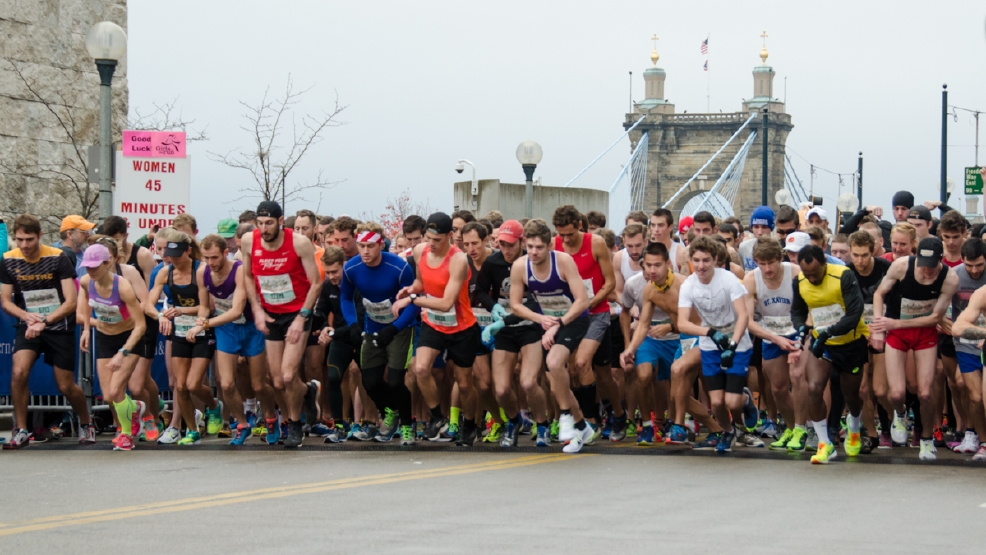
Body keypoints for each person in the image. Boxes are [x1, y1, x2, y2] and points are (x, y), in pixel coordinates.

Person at [1, 214, 95, 449]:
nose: (25, 245)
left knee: (65, 385)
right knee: (18, 372)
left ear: (40, 236)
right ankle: (21, 430)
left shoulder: (58, 258)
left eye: (30, 239)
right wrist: (26, 316)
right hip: (29, 324)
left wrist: (46, 320)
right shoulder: (8, 259)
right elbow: (5, 301)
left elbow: (71, 301)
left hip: (58, 325)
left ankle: (86, 422)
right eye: (20, 239)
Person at [241, 201, 323, 448]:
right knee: (276, 380)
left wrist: (302, 317)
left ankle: (296, 426)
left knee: (288, 375)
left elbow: (316, 282)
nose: (264, 229)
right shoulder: (248, 241)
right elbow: (247, 275)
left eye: (269, 223)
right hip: (271, 313)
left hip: (298, 312)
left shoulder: (299, 242)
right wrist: (256, 309)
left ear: (280, 220)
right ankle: (308, 391)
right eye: (260, 223)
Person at [508, 219, 594, 453]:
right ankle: (581, 426)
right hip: (546, 322)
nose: (534, 252)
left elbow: (582, 300)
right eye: (531, 247)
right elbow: (515, 305)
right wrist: (542, 320)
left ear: (550, 247)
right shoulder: (520, 266)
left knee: (554, 362)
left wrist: (558, 323)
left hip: (573, 319)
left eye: (540, 247)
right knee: (556, 382)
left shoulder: (563, 262)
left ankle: (565, 415)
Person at [393, 213, 479, 443]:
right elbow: (422, 283)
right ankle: (437, 416)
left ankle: (470, 424)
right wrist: (410, 289)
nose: (431, 244)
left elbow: (446, 302)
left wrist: (412, 300)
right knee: (420, 368)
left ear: (450, 236)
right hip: (434, 323)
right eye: (428, 238)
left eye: (437, 240)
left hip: (461, 327)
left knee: (463, 383)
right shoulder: (420, 251)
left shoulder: (458, 260)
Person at [186, 234, 279, 445]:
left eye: (215, 257)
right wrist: (200, 321)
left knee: (258, 384)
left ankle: (271, 417)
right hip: (225, 328)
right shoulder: (203, 273)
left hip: (250, 327)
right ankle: (242, 424)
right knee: (226, 383)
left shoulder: (238, 271)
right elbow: (204, 306)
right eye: (207, 257)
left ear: (225, 253)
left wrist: (206, 324)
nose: (211, 262)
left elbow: (237, 311)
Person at [872, 237, 958, 461]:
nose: (926, 271)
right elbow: (879, 294)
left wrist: (896, 324)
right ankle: (900, 414)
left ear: (940, 260)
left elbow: (934, 318)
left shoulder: (949, 278)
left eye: (931, 267)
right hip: (896, 333)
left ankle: (927, 439)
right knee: (897, 392)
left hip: (923, 334)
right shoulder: (902, 266)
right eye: (923, 265)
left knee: (925, 392)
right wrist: (879, 328)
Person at [789, 242, 869, 464]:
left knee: (851, 394)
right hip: (822, 343)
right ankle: (825, 444)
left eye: (815, 273)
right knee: (813, 388)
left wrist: (830, 332)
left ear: (825, 263)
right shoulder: (800, 281)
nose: (812, 279)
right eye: (807, 274)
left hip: (850, 341)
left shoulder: (843, 275)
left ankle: (854, 426)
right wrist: (801, 327)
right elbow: (797, 311)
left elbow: (855, 312)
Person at [341, 221, 418, 444]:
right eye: (361, 245)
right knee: (370, 381)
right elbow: (346, 298)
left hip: (399, 328)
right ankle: (391, 411)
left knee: (395, 381)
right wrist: (353, 324)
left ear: (381, 245)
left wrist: (396, 327)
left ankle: (407, 427)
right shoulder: (351, 268)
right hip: (372, 327)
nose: (365, 251)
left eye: (370, 246)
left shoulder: (399, 267)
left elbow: (414, 303)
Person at [676, 236, 754, 452]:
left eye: (706, 260)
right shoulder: (688, 285)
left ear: (715, 260)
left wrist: (733, 344)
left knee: (733, 401)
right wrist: (709, 332)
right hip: (711, 344)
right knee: (717, 402)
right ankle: (728, 432)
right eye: (697, 260)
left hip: (737, 341)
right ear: (691, 260)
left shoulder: (727, 279)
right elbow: (682, 323)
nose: (701, 266)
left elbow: (743, 315)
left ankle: (746, 400)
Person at [552, 205, 625, 438]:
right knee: (574, 369)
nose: (565, 239)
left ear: (580, 226)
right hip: (572, 315)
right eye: (561, 234)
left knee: (595, 369)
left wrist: (591, 302)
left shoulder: (595, 243)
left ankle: (617, 415)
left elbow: (610, 282)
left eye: (570, 234)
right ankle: (587, 419)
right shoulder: (554, 245)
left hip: (596, 312)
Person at [475, 220, 549, 446]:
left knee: (528, 383)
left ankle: (542, 423)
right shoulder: (492, 262)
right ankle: (513, 420)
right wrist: (493, 306)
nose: (506, 250)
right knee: (501, 388)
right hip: (505, 330)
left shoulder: (532, 261)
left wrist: (506, 318)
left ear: (522, 242)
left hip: (529, 328)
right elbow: (479, 290)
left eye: (511, 245)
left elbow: (535, 304)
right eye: (502, 245)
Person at [145, 229, 222, 446]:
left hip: (200, 329)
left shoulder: (200, 270)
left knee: (193, 384)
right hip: (179, 331)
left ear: (188, 251)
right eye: (171, 256)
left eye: (178, 256)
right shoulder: (164, 272)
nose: (174, 261)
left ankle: (215, 406)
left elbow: (207, 307)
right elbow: (148, 304)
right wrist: (161, 316)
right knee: (180, 386)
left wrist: (181, 312)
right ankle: (192, 430)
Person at [76, 243, 147, 451]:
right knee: (108, 396)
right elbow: (85, 309)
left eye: (95, 266)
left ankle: (125, 435)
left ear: (108, 263)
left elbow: (141, 325)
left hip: (129, 338)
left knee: (117, 391)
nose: (91, 271)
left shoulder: (123, 287)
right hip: (105, 338)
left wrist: (123, 352)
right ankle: (136, 407)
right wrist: (87, 330)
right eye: (87, 267)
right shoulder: (86, 282)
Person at [743, 237, 809, 451]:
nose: (767, 268)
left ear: (780, 258)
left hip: (797, 330)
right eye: (762, 263)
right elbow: (748, 321)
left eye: (771, 262)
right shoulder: (751, 279)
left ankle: (802, 428)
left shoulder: (796, 272)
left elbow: (811, 307)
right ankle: (791, 428)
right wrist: (775, 338)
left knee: (798, 377)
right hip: (771, 333)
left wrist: (800, 337)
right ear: (755, 261)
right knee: (778, 388)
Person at [618, 241, 682, 445]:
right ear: (642, 265)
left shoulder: (684, 284)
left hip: (677, 336)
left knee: (676, 386)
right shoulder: (638, 286)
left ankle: (673, 423)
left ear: (668, 264)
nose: (652, 270)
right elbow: (640, 321)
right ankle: (647, 425)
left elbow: (693, 321)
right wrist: (629, 347)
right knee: (643, 375)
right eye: (648, 265)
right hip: (649, 337)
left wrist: (670, 327)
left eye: (658, 265)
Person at [846, 230, 894, 451]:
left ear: (873, 251)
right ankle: (871, 434)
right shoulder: (846, 272)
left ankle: (894, 423)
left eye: (864, 255)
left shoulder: (886, 269)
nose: (860, 260)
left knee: (882, 390)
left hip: (884, 331)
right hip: (857, 334)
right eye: (855, 255)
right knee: (862, 389)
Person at [316, 246, 367, 442]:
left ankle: (368, 422)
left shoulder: (358, 284)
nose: (331, 276)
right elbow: (321, 311)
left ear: (344, 266)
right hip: (339, 339)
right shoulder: (327, 285)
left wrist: (333, 332)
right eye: (327, 272)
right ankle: (339, 425)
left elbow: (361, 320)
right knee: (333, 377)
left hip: (360, 337)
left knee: (369, 380)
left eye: (334, 272)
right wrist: (323, 328)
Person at [461, 221, 505, 443]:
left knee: (501, 382)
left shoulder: (498, 261)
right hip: (474, 329)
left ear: (486, 240)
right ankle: (498, 421)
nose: (471, 249)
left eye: (475, 243)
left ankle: (515, 419)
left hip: (499, 327)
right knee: (484, 383)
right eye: (466, 244)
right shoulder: (461, 264)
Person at [946, 238, 986, 459]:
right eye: (969, 265)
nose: (974, 270)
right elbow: (940, 308)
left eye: (979, 265)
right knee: (975, 396)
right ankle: (981, 440)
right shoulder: (954, 276)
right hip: (966, 342)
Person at [738, 206, 775, 272]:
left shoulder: (778, 249)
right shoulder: (743, 247)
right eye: (756, 227)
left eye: (764, 227)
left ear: (771, 228)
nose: (760, 232)